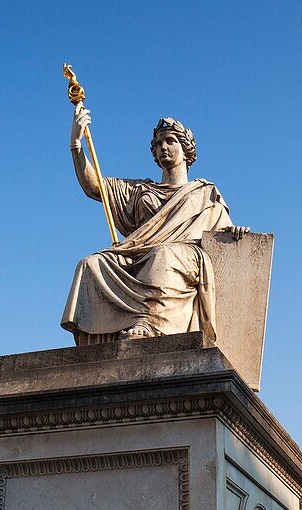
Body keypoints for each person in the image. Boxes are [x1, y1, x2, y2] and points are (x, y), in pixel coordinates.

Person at [61, 104, 248, 344]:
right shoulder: (140, 190)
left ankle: (151, 323)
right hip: (137, 253)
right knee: (91, 263)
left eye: (170, 141)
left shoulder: (204, 192)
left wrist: (234, 231)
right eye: (158, 144)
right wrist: (76, 144)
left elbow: (220, 229)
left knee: (163, 255)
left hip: (183, 255)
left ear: (186, 148)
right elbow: (93, 185)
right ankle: (96, 343)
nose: (163, 148)